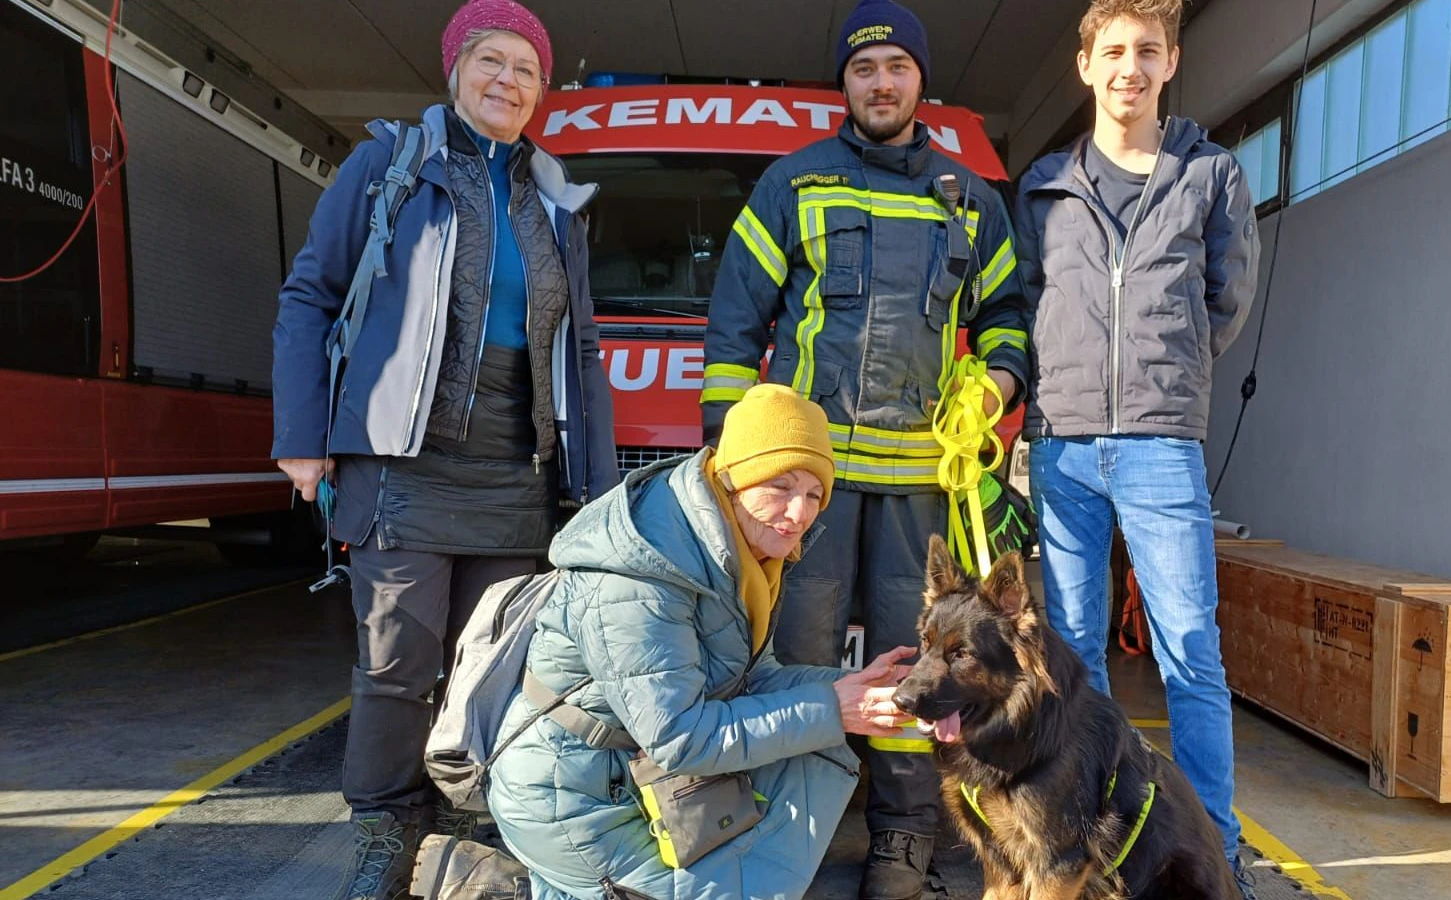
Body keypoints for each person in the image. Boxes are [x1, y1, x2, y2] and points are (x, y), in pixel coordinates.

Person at [269, 1, 618, 897]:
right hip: (402, 462)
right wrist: (302, 438)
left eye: (526, 70)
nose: (507, 81)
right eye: (489, 61)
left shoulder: (557, 199)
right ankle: (386, 828)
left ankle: (467, 827)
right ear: (456, 70)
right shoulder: (391, 164)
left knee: (495, 664)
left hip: (514, 468)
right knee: (397, 662)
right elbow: (310, 294)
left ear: (543, 91)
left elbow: (580, 345)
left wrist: (597, 485)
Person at [697, 2, 1031, 896]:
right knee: (795, 663)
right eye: (863, 69)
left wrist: (996, 384)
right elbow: (734, 329)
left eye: (896, 67)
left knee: (918, 672)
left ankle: (903, 845)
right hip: (809, 493)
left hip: (921, 491)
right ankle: (787, 835)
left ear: (921, 80)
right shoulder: (794, 184)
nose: (881, 83)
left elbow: (1009, 324)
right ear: (842, 84)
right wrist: (727, 470)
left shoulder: (975, 203)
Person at [1011, 0, 1260, 896]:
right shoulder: (1043, 183)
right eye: (1111, 50)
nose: (1129, 66)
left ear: (1171, 61)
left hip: (1161, 445)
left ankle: (1215, 852)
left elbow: (1224, 300)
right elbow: (1025, 302)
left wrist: (1169, 371)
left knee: (1189, 651)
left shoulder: (1209, 174)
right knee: (1073, 658)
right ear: (1085, 65)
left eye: (1146, 51)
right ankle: (1089, 843)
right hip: (1064, 444)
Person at [482, 384, 915, 900]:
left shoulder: (737, 549)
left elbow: (751, 678)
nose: (801, 513)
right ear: (734, 480)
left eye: (815, 494)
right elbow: (681, 738)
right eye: (781, 486)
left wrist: (857, 688)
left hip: (633, 773)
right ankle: (480, 880)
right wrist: (831, 709)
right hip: (570, 794)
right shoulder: (643, 577)